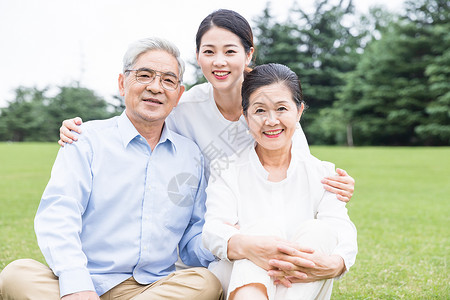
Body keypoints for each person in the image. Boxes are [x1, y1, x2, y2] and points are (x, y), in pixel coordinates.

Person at [57, 9, 355, 280]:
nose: (219, 61)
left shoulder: (274, 107)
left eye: (230, 51)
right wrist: (86, 131)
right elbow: (144, 114)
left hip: (268, 227)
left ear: (249, 54)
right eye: (209, 51)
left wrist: (336, 186)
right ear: (198, 56)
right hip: (215, 234)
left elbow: (299, 173)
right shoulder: (184, 107)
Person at [0, 37, 223, 300]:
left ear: (178, 95)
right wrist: (77, 286)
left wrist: (228, 240)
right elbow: (59, 215)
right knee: (17, 274)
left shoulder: (190, 155)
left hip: (152, 289)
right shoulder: (85, 140)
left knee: (205, 283)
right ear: (122, 83)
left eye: (168, 80)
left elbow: (191, 240)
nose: (155, 87)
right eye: (144, 75)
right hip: (82, 281)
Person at [202, 63, 358, 300]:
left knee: (320, 231)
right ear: (245, 116)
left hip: (302, 283)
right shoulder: (227, 170)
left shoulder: (322, 173)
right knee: (262, 233)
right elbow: (213, 230)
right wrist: (250, 246)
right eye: (260, 111)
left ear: (299, 111)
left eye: (281, 108)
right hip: (238, 279)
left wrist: (338, 264)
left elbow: (341, 229)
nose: (271, 121)